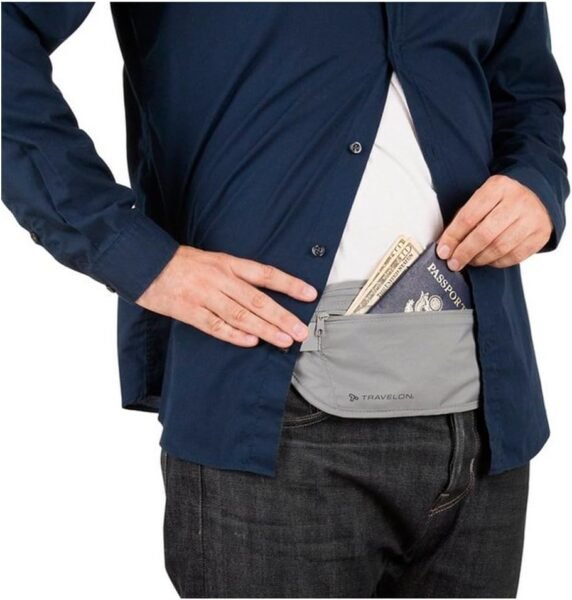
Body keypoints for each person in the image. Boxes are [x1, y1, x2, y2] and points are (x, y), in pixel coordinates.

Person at [2, 2, 568, 598]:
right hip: (271, 416)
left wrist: (536, 181)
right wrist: (134, 255)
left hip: (486, 420)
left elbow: (524, 82)